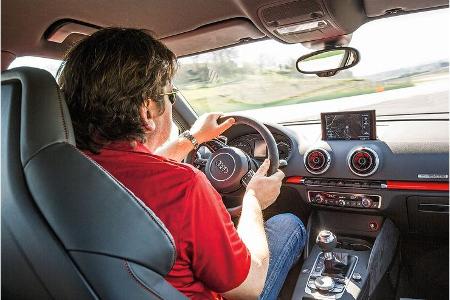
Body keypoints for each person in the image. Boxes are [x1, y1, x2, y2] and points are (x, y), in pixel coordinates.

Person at [58, 27, 306, 300]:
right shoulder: (184, 185)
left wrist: (192, 138)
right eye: (170, 96)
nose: (170, 104)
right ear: (147, 110)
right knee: (287, 224)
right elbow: (247, 287)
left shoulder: (56, 172)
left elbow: (135, 175)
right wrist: (253, 202)